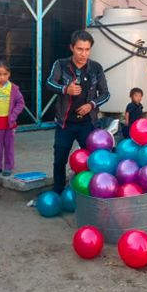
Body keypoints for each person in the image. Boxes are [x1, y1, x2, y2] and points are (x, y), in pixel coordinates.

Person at [45, 30, 110, 194]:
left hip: (88, 123)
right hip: (65, 123)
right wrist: (66, 89)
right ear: (72, 48)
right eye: (80, 49)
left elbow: (105, 93)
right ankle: (58, 191)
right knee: (59, 160)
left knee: (92, 160)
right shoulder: (60, 64)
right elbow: (48, 83)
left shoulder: (96, 68)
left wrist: (91, 105)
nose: (83, 54)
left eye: (87, 50)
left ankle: (91, 191)